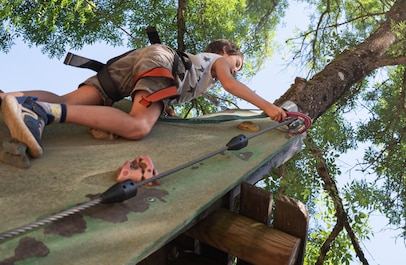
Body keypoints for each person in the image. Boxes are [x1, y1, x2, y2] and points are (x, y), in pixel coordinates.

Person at [0, 39, 287, 158]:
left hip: (135, 64)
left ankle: (9, 98)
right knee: (137, 126)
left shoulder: (198, 68)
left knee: (70, 99)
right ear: (226, 51)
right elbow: (231, 86)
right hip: (160, 63)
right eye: (238, 64)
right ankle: (39, 112)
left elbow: (166, 92)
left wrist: (166, 108)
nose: (236, 70)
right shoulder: (219, 63)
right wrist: (267, 106)